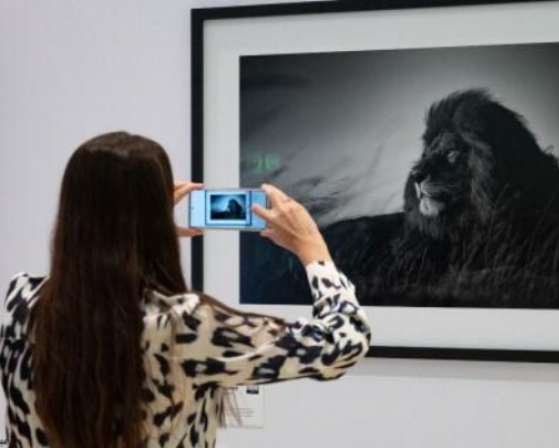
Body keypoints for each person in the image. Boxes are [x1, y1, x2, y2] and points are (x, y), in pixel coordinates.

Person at [0, 132, 371, 448]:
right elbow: (343, 343)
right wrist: (314, 251)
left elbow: (89, 290)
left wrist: (134, 238)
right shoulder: (185, 325)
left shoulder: (21, 301)